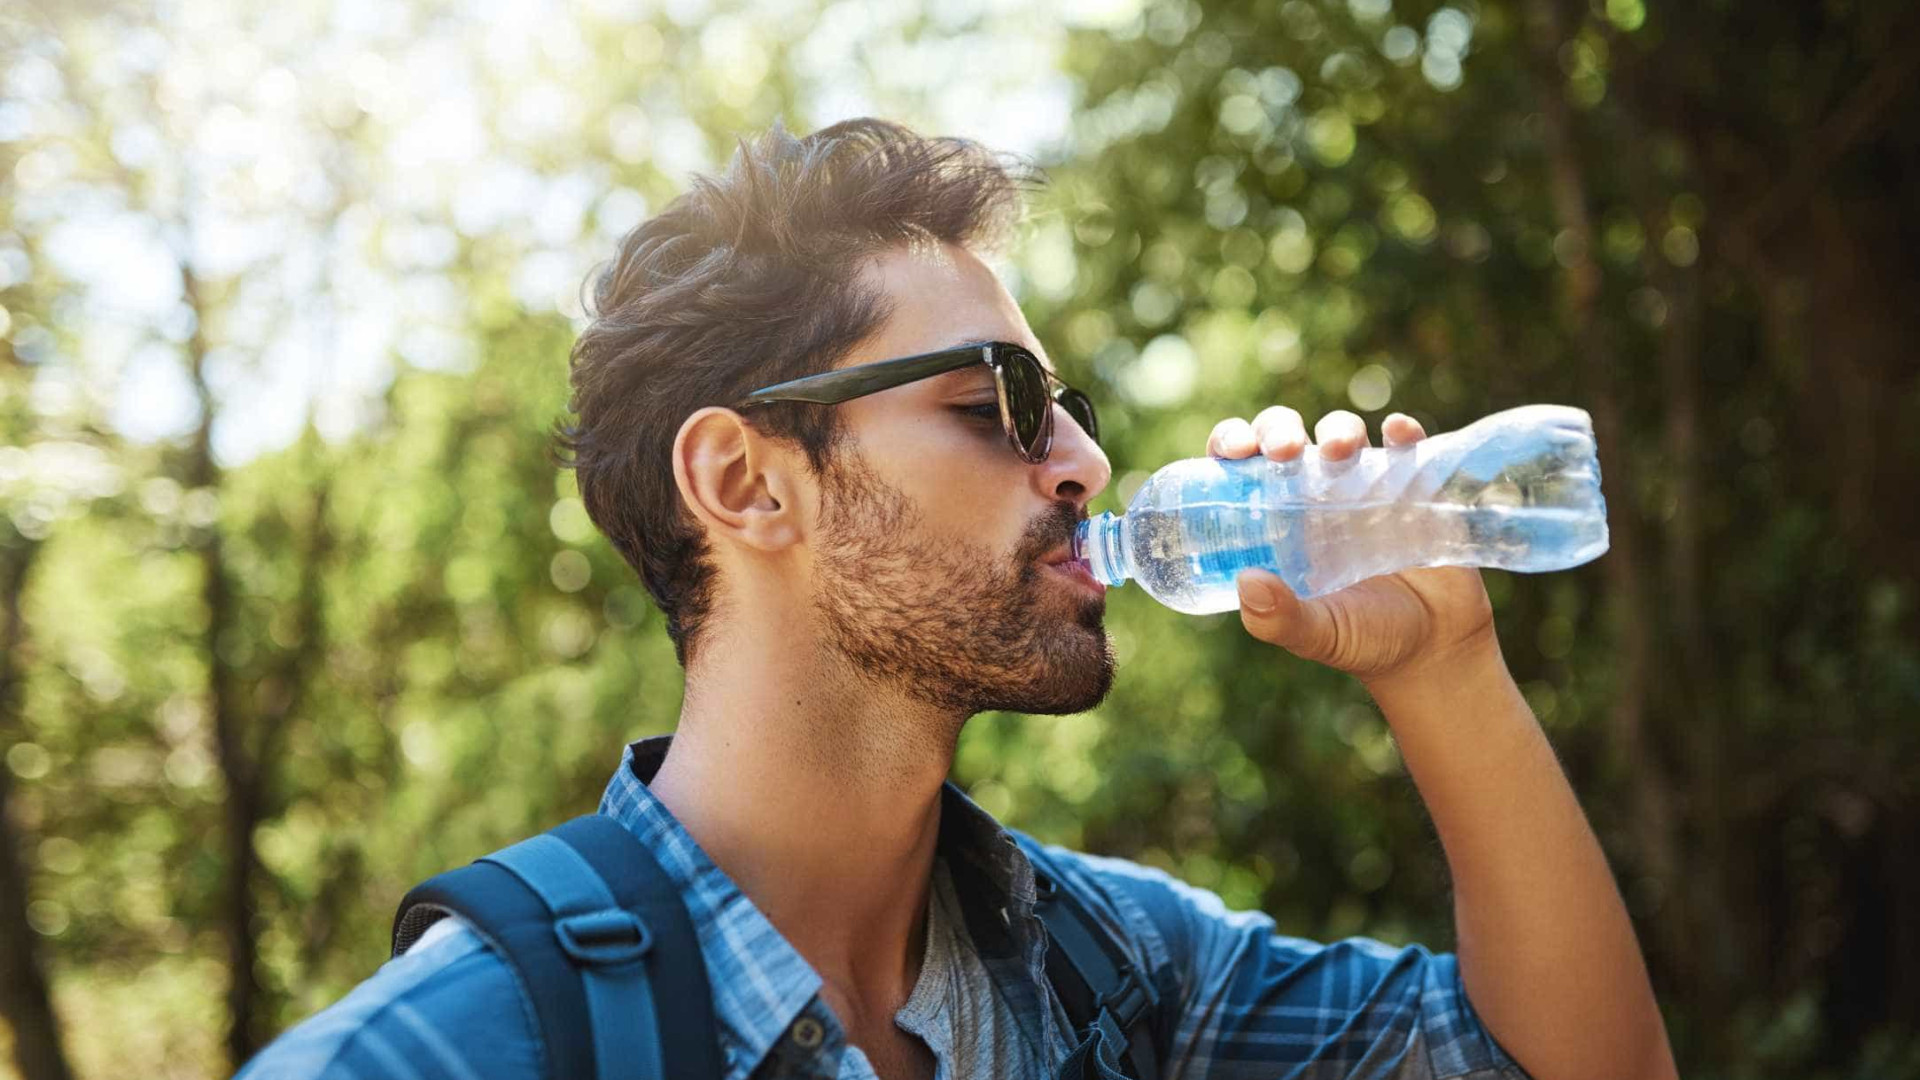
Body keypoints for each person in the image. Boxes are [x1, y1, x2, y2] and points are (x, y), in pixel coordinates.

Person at [236, 118, 1676, 1080]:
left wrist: (1444, 672)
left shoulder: (1115, 974)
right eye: (1002, 400)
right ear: (745, 483)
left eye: (1069, 404)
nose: (1088, 461)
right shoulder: (455, 1050)